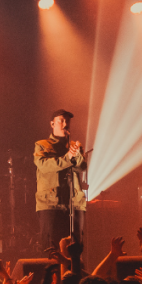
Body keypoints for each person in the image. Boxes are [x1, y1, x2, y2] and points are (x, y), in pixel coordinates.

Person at [35, 109, 87, 254]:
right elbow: (45, 166)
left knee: (74, 248)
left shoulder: (74, 146)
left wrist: (78, 155)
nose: (65, 124)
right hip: (50, 204)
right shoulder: (42, 145)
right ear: (52, 124)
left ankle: (72, 274)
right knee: (51, 248)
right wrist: (68, 157)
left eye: (67, 121)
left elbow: (82, 167)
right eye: (61, 120)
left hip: (72, 203)